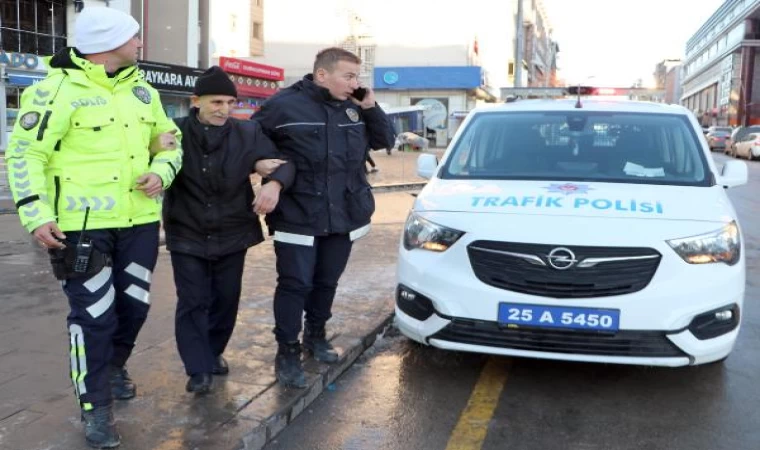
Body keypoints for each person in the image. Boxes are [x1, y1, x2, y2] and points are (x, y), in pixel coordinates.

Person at [3, 7, 182, 449]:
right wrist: (35, 213)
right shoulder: (55, 90)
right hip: (81, 230)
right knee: (94, 317)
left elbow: (169, 139)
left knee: (136, 309)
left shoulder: (143, 91)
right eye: (134, 37)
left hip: (139, 223)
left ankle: (115, 366)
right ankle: (96, 408)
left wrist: (163, 171)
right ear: (109, 42)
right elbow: (25, 155)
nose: (141, 44)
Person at [252, 47, 394, 388]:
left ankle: (315, 336)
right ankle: (287, 351)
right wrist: (262, 169)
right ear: (321, 75)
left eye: (357, 77)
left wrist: (370, 107)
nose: (354, 83)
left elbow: (386, 140)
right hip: (298, 212)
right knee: (294, 283)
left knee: (326, 281)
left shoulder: (355, 107)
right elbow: (251, 143)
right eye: (348, 76)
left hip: (343, 213)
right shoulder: (282, 105)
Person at [164, 66, 294, 395]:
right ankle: (197, 368)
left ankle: (213, 350)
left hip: (233, 231)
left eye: (230, 102)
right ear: (196, 101)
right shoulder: (173, 132)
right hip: (186, 230)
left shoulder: (247, 133)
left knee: (225, 298)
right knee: (193, 300)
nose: (224, 109)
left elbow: (285, 162)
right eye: (216, 102)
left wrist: (274, 184)